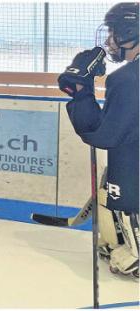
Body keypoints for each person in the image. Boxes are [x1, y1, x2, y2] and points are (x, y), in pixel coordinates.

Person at [57, 2, 138, 278]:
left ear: (131, 31)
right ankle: (120, 241)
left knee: (121, 184)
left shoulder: (127, 78)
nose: (109, 40)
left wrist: (82, 90)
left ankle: (136, 252)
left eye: (114, 31)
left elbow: (105, 134)